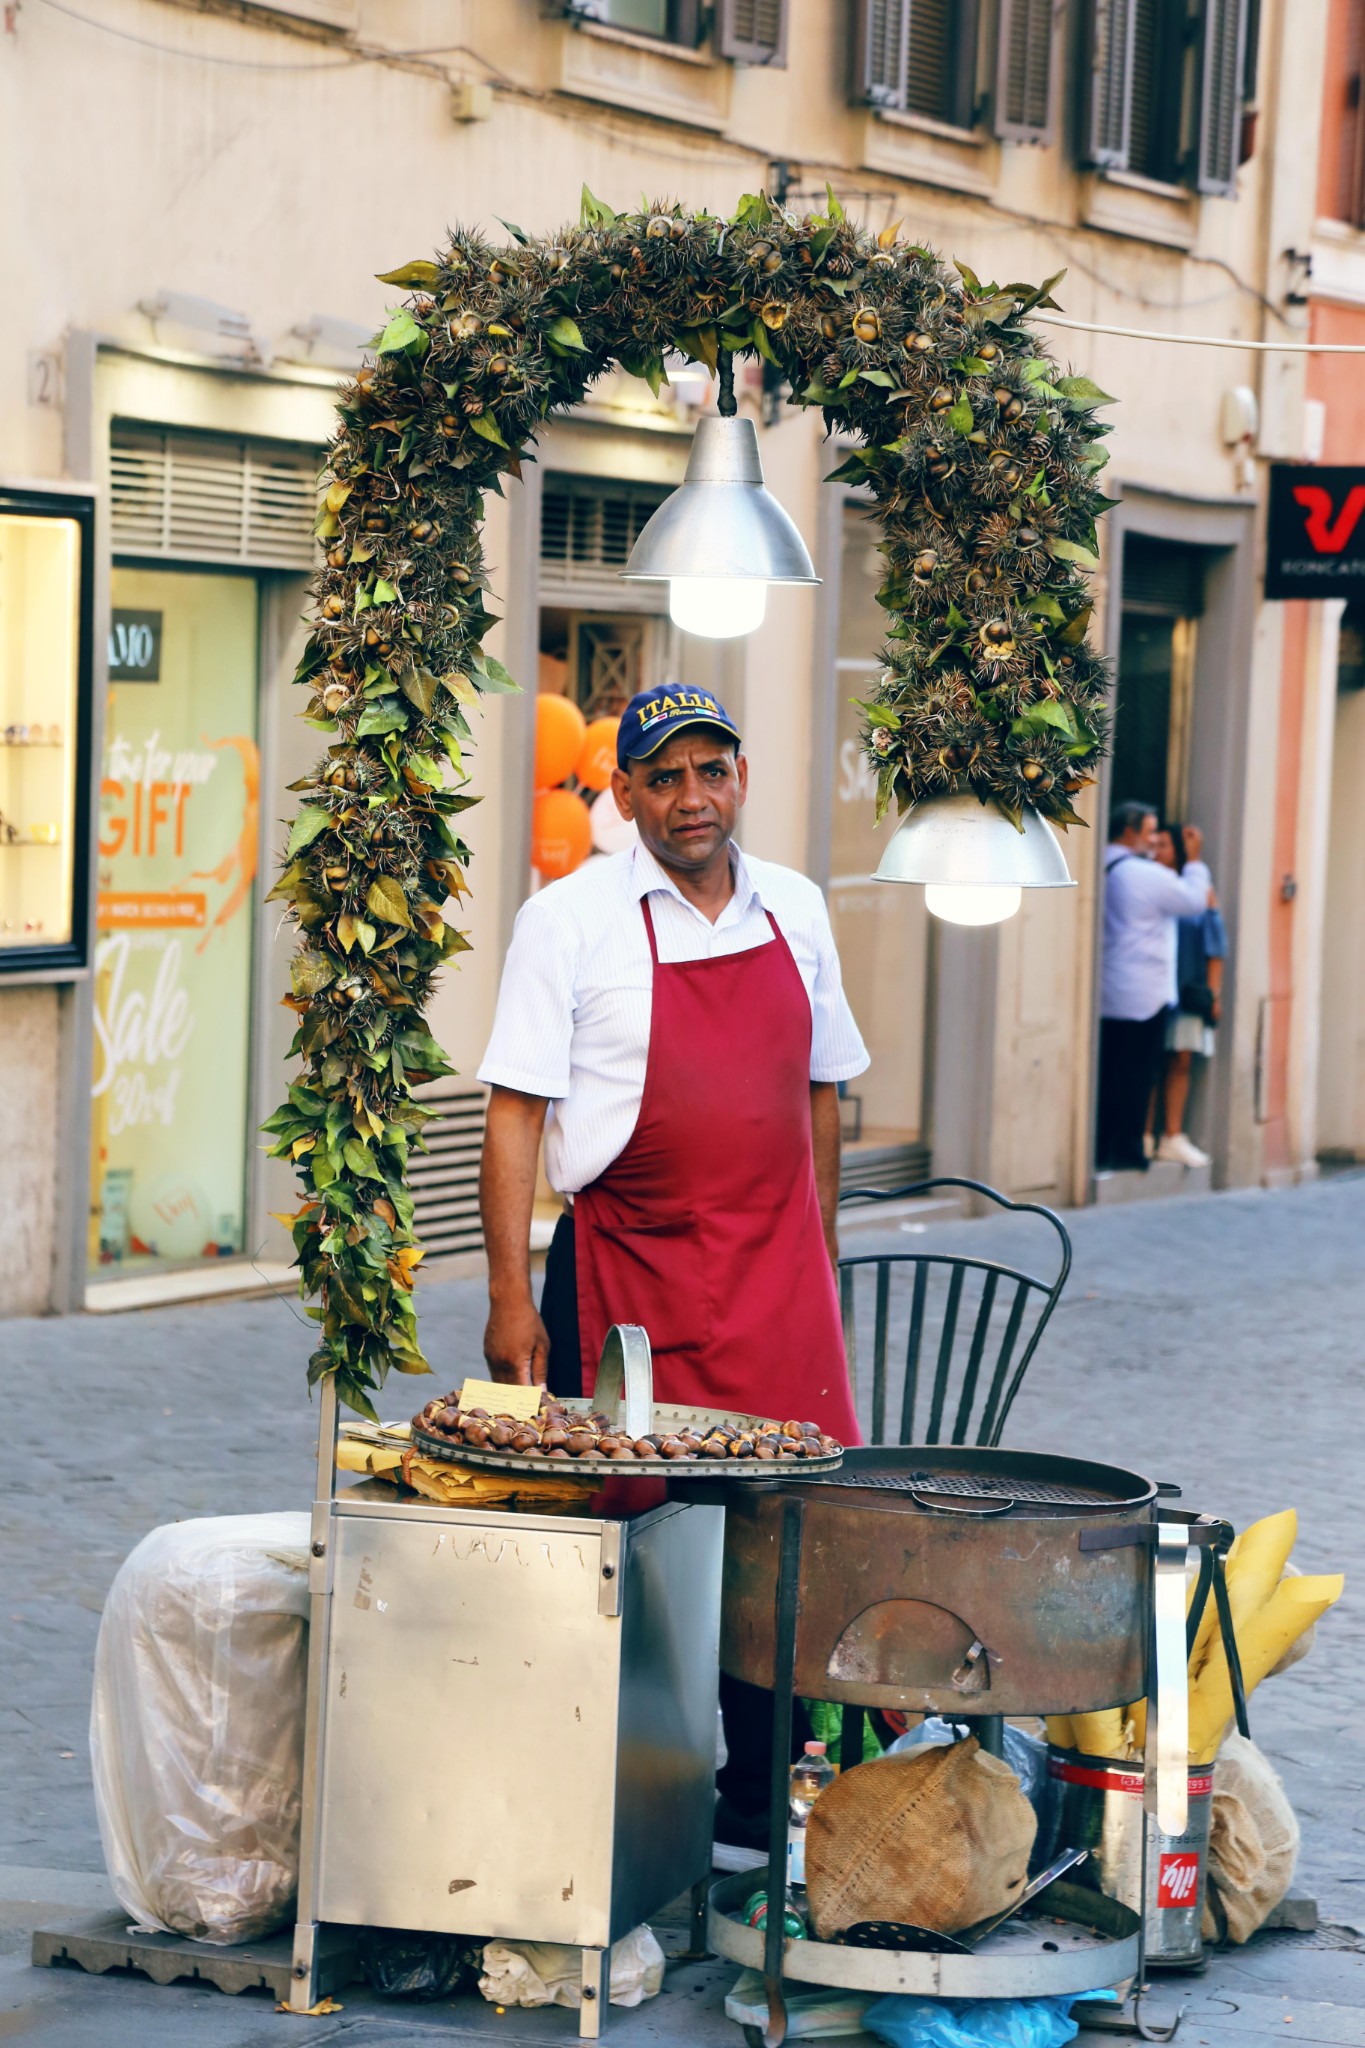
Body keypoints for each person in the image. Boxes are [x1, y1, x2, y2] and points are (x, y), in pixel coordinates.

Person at [476, 685, 868, 1856]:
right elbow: (512, 1113)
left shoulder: (795, 908)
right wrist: (506, 1296)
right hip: (622, 1281)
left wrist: (823, 1255)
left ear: (739, 779)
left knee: (777, 1547)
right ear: (626, 794)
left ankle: (756, 1811)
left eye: (712, 769)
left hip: (775, 1279)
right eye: (665, 776)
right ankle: (611, 1819)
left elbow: (823, 1092)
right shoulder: (571, 919)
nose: (692, 797)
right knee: (621, 1550)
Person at [1097, 800, 1213, 1173]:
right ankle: (1126, 1152)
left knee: (1110, 1072)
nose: (1153, 839)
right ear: (1128, 832)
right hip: (1143, 992)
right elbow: (1195, 900)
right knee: (1135, 1075)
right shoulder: (1140, 872)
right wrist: (1193, 859)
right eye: (1149, 831)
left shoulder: (1102, 863)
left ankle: (1105, 1147)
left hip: (1111, 987)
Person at [1147, 822, 1228, 1169]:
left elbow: (1215, 945)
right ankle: (1144, 1133)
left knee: (1180, 1061)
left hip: (1188, 989)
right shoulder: (1148, 882)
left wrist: (1212, 994)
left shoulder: (1198, 890)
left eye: (1164, 845)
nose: (1156, 851)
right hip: (1153, 987)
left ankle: (1173, 1134)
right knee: (1148, 1060)